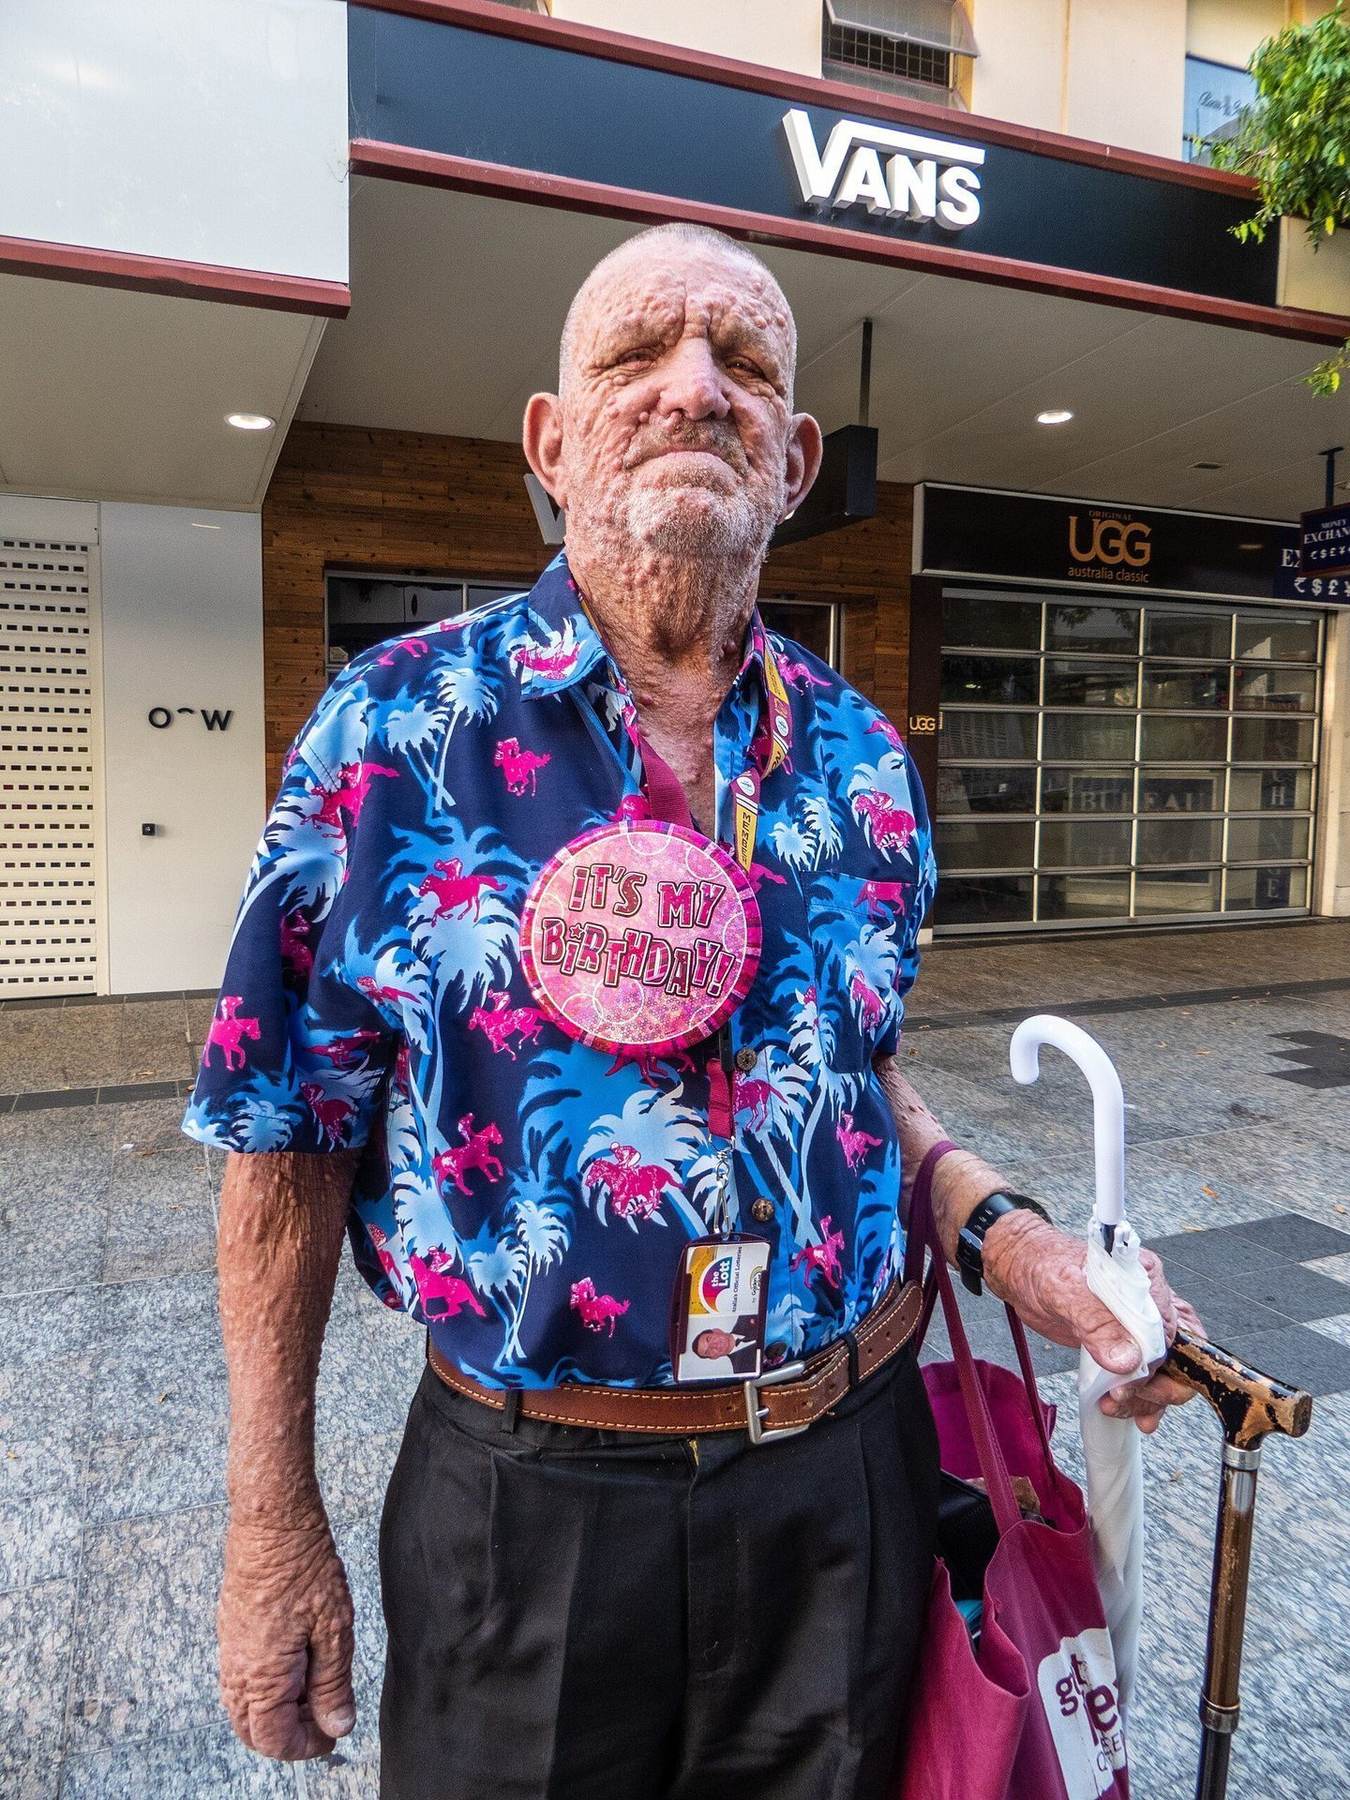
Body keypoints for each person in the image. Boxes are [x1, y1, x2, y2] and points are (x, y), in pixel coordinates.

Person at [184, 221, 1200, 1800]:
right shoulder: (393, 730)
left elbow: (850, 1079)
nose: (692, 389)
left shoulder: (863, 759)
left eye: (741, 363)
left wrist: (1022, 1247)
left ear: (795, 456)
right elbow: (282, 1137)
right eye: (636, 354)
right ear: (552, 435)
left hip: (842, 1481)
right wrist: (268, 1520)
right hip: (529, 1500)